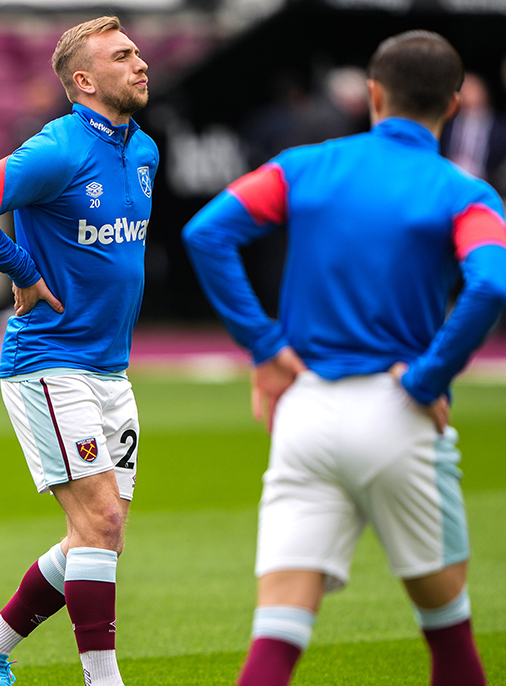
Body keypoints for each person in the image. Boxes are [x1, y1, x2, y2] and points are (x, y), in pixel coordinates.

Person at [182, 31, 506, 686]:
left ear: (373, 93)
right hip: (399, 413)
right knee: (448, 633)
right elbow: (492, 283)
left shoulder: (306, 165)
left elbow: (206, 231)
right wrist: (428, 377)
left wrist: (267, 348)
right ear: (452, 104)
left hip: (304, 413)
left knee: (276, 637)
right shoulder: (464, 192)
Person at [0, 16, 154, 686]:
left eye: (137, 50)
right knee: (99, 518)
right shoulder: (58, 149)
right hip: (49, 361)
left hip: (109, 368)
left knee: (100, 533)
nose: (140, 61)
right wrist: (23, 269)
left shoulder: (142, 147)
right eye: (122, 56)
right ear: (84, 81)